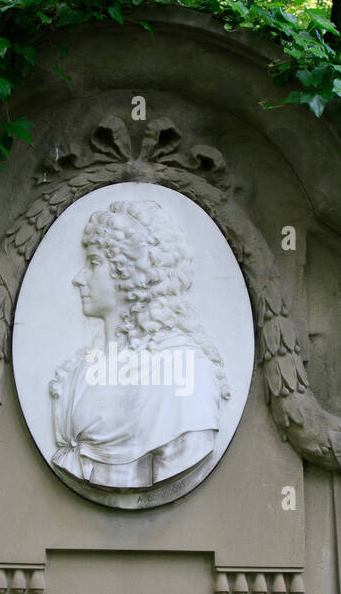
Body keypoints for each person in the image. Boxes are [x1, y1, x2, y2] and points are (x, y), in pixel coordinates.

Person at [49, 198, 230, 490]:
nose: (78, 278)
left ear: (129, 273)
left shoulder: (185, 372)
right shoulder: (79, 370)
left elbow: (186, 454)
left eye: (94, 263)